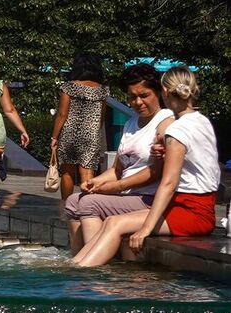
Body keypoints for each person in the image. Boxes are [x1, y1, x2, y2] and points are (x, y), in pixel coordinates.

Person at [73, 67, 220, 267]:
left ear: (164, 92)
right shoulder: (201, 121)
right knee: (112, 222)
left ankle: (84, 273)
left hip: (190, 210)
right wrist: (164, 153)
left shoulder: (177, 129)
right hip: (196, 206)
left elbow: (168, 183)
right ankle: (77, 266)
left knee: (116, 223)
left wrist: (146, 228)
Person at [63, 63, 171, 252]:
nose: (138, 102)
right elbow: (117, 170)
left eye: (144, 95)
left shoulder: (166, 121)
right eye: (132, 97)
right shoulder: (131, 123)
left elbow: (158, 171)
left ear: (158, 93)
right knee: (73, 201)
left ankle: (96, 264)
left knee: (90, 203)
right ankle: (78, 256)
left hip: (149, 198)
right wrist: (94, 182)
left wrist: (118, 186)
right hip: (128, 196)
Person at [48, 53, 108, 198]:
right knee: (87, 173)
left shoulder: (68, 87)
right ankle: (86, 207)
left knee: (67, 172)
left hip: (69, 134)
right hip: (91, 135)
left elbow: (62, 114)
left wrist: (54, 137)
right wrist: (95, 132)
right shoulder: (102, 90)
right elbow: (102, 116)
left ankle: (66, 205)